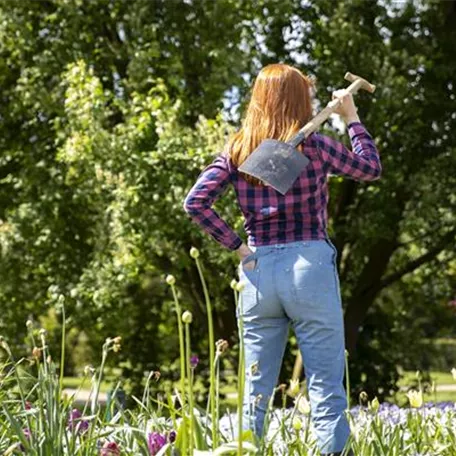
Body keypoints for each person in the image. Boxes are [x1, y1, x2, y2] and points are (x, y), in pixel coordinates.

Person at [183, 63, 381, 456]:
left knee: (254, 393)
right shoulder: (318, 146)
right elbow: (370, 169)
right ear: (297, 100)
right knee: (325, 386)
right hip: (309, 267)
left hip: (257, 272)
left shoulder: (239, 148)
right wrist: (352, 116)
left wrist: (239, 248)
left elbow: (195, 202)